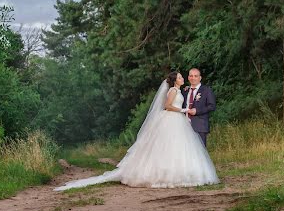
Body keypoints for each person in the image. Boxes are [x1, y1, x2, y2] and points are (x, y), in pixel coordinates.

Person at [54, 71, 219, 191]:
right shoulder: (174, 90)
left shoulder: (179, 90)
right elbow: (167, 106)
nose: (184, 78)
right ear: (175, 80)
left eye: (186, 76)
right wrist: (182, 111)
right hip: (172, 119)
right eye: (182, 77)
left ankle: (183, 173)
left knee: (178, 147)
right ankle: (167, 174)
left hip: (177, 121)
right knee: (169, 146)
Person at [183, 68, 216, 147]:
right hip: (184, 125)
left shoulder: (206, 90)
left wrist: (197, 111)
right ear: (188, 77)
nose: (193, 78)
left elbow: (212, 106)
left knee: (200, 151)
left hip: (200, 125)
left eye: (195, 76)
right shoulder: (185, 90)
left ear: (200, 78)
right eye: (191, 76)